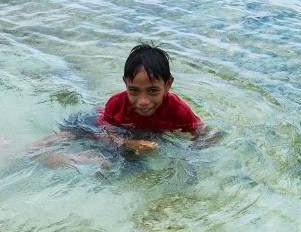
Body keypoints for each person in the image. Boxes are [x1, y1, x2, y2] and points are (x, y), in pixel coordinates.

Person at [33, 43, 203, 167]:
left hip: (126, 132)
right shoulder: (116, 104)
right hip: (93, 121)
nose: (143, 101)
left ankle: (65, 159)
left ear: (168, 84)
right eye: (134, 90)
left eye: (152, 91)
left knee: (116, 164)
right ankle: (29, 151)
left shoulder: (179, 110)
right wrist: (130, 143)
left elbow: (201, 134)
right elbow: (101, 133)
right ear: (125, 83)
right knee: (67, 135)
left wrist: (189, 159)